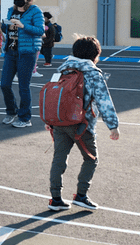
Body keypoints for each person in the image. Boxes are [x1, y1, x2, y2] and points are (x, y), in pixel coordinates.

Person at [47, 35, 119, 212]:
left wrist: (50, 120)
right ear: (95, 54)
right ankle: (81, 195)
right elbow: (104, 100)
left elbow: (52, 96)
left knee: (59, 158)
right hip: (81, 124)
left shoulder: (63, 69)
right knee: (91, 159)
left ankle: (55, 198)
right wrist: (113, 126)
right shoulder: (93, 73)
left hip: (59, 122)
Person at [0, 0, 44, 128]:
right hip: (11, 51)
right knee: (5, 84)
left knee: (23, 86)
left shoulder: (35, 11)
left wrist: (23, 25)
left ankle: (25, 118)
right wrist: (1, 25)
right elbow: (8, 30)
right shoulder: (10, 11)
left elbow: (40, 30)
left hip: (27, 53)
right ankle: (11, 111)